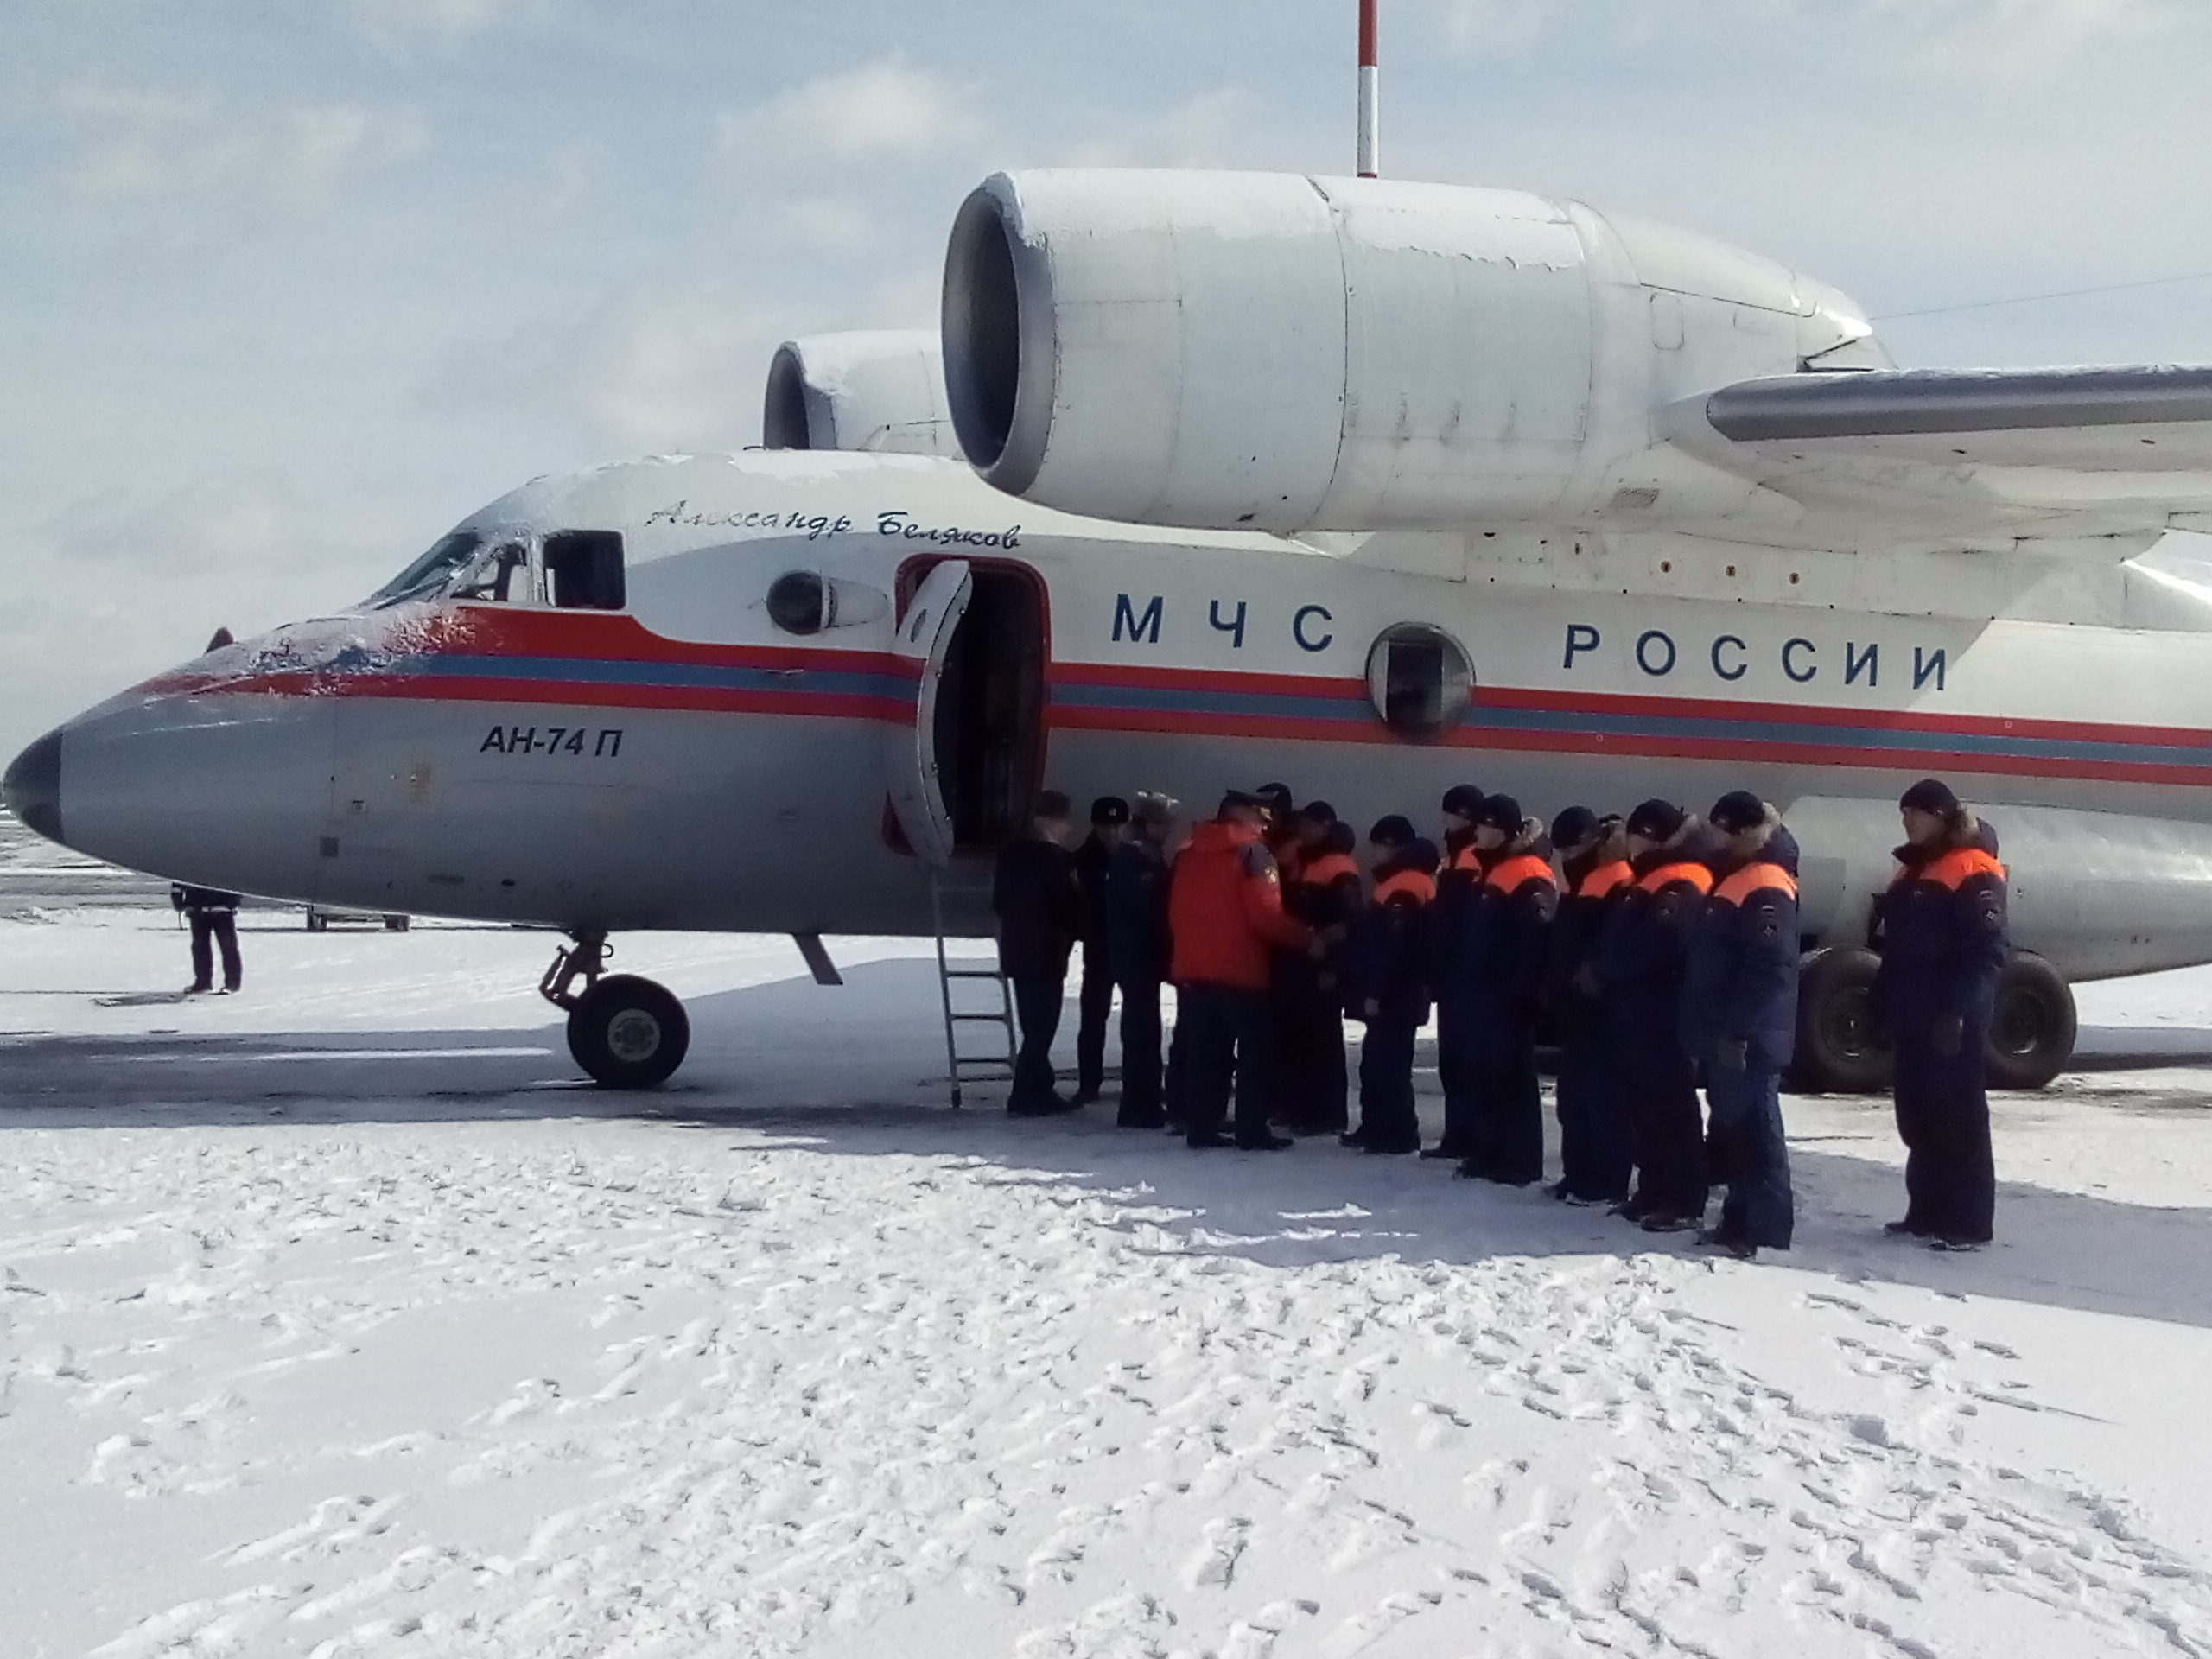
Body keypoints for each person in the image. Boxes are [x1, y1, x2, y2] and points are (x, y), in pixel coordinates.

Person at [1872, 778, 2009, 1250]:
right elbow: (1896, 949)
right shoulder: (1913, 871)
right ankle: (1927, 1211)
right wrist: (1881, 1002)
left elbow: (1985, 951)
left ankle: (1968, 1221)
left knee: (1959, 1118)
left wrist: (1958, 1011)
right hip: (1913, 1014)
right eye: (1904, 813)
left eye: (1915, 813)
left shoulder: (1972, 868)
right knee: (1919, 1115)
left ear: (1939, 817)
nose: (1907, 821)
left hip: (1950, 1018)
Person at [1683, 791, 1802, 1260]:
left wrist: (1739, 1030)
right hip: (1728, 1032)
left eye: (1718, 827)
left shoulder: (1765, 883)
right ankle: (1739, 1220)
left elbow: (1769, 968)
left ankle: (1767, 1229)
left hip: (1749, 1037)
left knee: (1757, 1134)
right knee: (1734, 1131)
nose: (1710, 835)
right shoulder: (1736, 876)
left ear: (1738, 832)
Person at [1168, 791, 1313, 1150]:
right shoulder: (1253, 854)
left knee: (1205, 1053)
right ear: (1245, 816)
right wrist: (1307, 939)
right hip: (1240, 970)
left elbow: (1175, 910)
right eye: (1261, 818)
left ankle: (1201, 1127)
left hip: (1194, 968)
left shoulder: (1189, 852)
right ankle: (1251, 1129)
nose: (1265, 825)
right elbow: (1267, 915)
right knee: (1256, 1053)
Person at [1597, 798, 1716, 1231]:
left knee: (1671, 1107)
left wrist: (1610, 966)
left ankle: (1683, 1198)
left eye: (1638, 834)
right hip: (1640, 1010)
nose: (1630, 842)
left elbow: (1659, 944)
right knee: (1645, 1107)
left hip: (1665, 1011)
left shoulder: (1682, 879)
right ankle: (1652, 1189)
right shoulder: (1650, 877)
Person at [1448, 794, 1558, 1186]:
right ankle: (1491, 1152)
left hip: (1506, 997)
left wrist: (1523, 994)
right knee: (1487, 1075)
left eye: (1485, 825)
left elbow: (1536, 941)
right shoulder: (1492, 869)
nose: (1478, 831)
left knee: (1512, 1079)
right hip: (1484, 995)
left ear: (1503, 830)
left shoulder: (1527, 872)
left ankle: (1520, 1160)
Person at [1547, 807, 1633, 1205]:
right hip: (1576, 1007)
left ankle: (1605, 1180)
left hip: (1602, 1009)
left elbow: (1613, 942)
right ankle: (1578, 1175)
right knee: (1574, 1099)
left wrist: (1591, 978)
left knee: (1603, 1100)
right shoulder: (1579, 880)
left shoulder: (1616, 877)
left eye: (1571, 849)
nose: (1566, 857)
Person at [1343, 830, 1440, 1154]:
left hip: (1395, 995)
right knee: (1382, 1063)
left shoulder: (1402, 887)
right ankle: (1380, 1129)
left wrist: (1376, 991)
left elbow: (1394, 948)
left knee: (1386, 1066)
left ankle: (1394, 1133)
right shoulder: (1419, 885)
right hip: (1406, 993)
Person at [992, 790, 1084, 1116]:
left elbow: (999, 903)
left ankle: (1039, 1088)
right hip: (1047, 952)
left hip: (1017, 952)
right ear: (1053, 821)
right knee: (1042, 1029)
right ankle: (1025, 1093)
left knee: (1032, 1024)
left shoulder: (1009, 856)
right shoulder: (1058, 859)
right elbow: (1070, 908)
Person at [1278, 810, 1363, 1135]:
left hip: (1321, 966)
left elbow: (1350, 921)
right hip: (1300, 965)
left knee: (1322, 1042)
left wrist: (1331, 962)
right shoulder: (1305, 861)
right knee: (1300, 1039)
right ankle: (1301, 1110)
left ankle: (1325, 1115)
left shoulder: (1337, 865)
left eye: (1310, 824)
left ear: (1325, 827)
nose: (1304, 828)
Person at [1106, 791, 1178, 1128]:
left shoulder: (1141, 855)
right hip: (1137, 955)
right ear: (1149, 824)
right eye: (1164, 824)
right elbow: (1146, 908)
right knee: (1141, 1030)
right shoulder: (1135, 858)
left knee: (1144, 1028)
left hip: (1139, 954)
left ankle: (1143, 1099)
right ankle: (1139, 1103)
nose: (1168, 831)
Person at [1426, 782, 1488, 1159]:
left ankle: (1467, 1135)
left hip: (1461, 973)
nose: (1446, 819)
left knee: (1463, 1058)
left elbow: (1459, 920)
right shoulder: (1454, 856)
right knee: (1453, 1059)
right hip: (1453, 972)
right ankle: (1460, 1134)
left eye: (1451, 812)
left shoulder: (1468, 858)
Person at [1072, 796, 1131, 1104]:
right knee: (1094, 1019)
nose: (1112, 832)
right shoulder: (1082, 860)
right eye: (1106, 826)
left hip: (1129, 948)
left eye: (1117, 825)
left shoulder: (1131, 857)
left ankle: (1136, 1081)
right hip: (1098, 947)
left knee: (1134, 1020)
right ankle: (1089, 1083)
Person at [172, 883, 243, 994]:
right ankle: (203, 983)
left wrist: (233, 902)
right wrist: (178, 903)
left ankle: (232, 984)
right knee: (200, 947)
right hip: (197, 908)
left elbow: (234, 878)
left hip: (222, 908)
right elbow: (178, 881)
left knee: (228, 946)